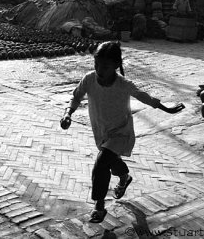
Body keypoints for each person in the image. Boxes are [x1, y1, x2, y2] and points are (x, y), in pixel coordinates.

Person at [60, 41, 185, 223]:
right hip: (101, 131)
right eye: (96, 65)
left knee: (101, 163)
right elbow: (76, 96)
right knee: (110, 160)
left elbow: (143, 96)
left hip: (121, 133)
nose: (99, 70)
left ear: (116, 66)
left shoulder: (123, 84)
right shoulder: (89, 79)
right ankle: (124, 177)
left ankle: (99, 206)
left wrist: (167, 108)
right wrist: (67, 114)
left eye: (105, 66)